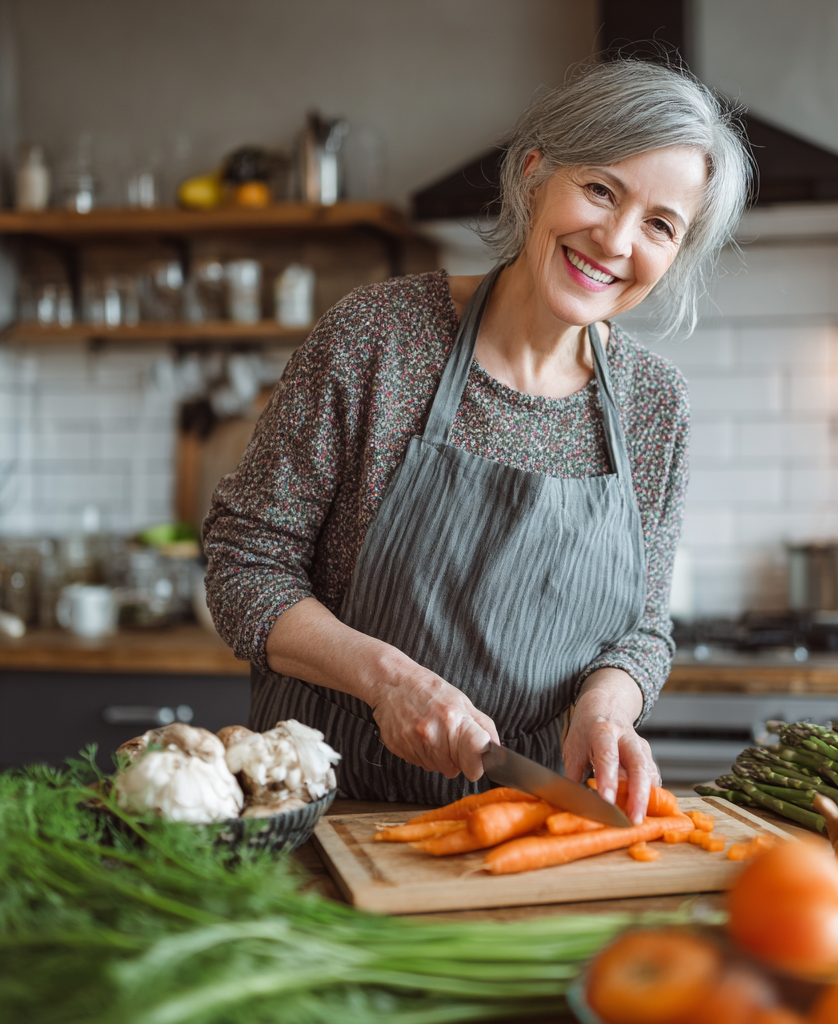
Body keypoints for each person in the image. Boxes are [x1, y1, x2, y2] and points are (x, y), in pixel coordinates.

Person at [203, 59, 751, 824]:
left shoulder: (656, 405)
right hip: (326, 812)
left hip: (526, 822)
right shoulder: (380, 339)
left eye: (660, 225)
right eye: (600, 189)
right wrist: (388, 678)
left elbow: (642, 631)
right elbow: (244, 563)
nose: (617, 239)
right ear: (534, 175)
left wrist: (605, 711)